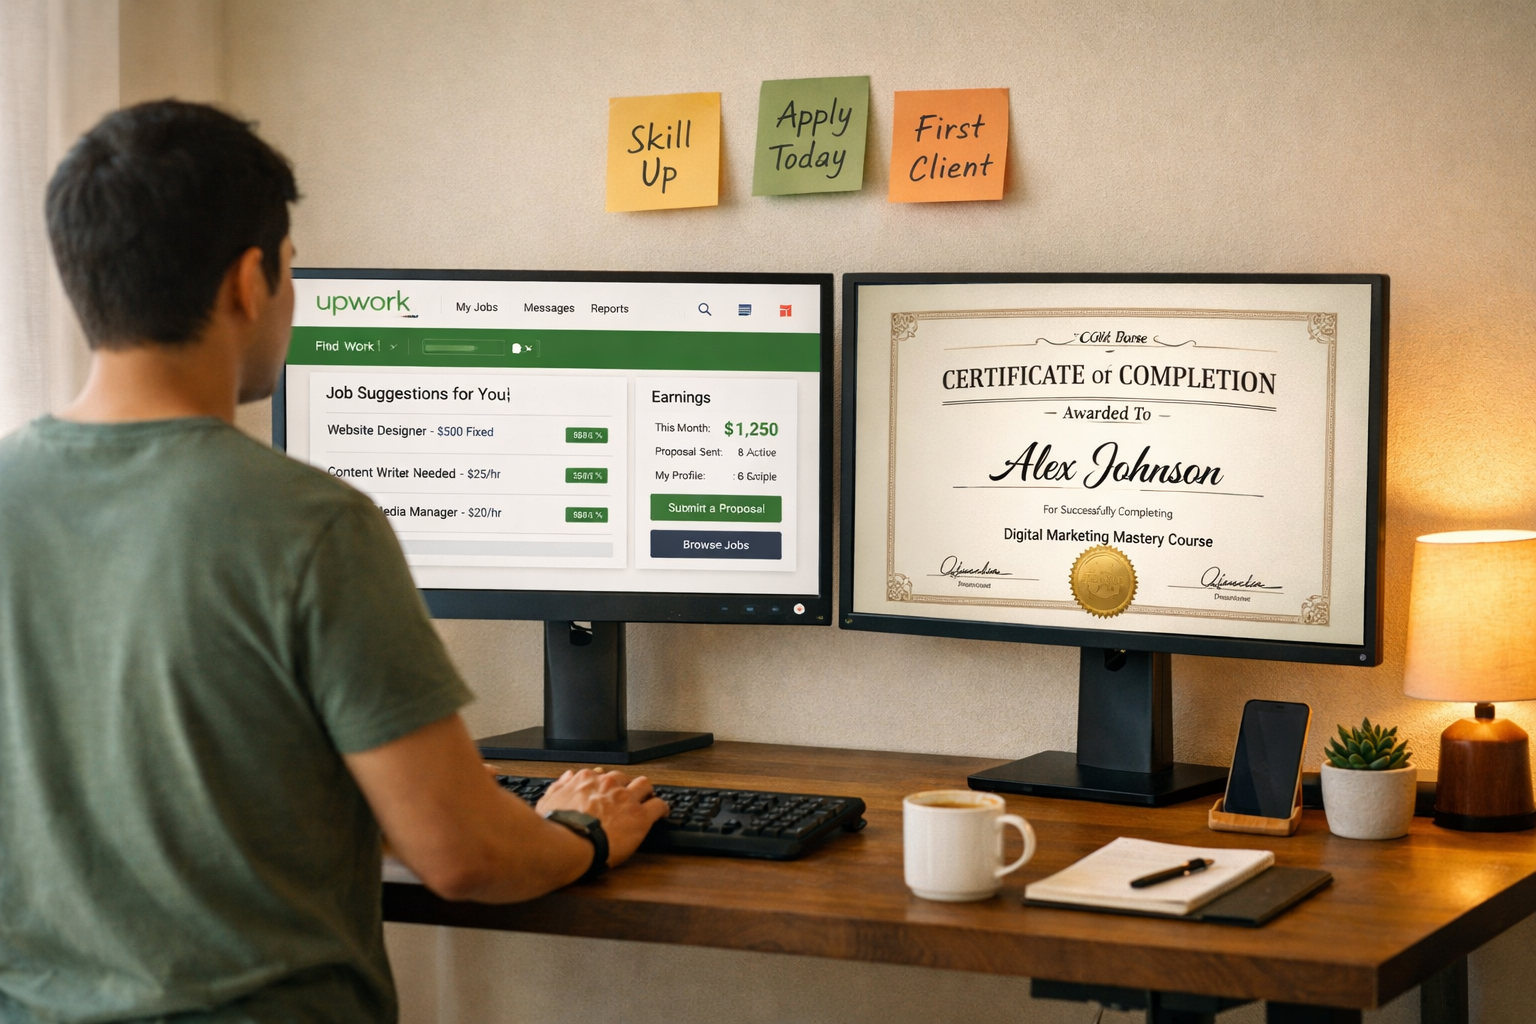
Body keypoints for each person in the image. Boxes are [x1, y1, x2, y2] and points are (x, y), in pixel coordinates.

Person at [0, 100, 668, 1023]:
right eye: (293, 269)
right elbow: (465, 857)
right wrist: (582, 831)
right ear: (250, 281)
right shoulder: (311, 527)